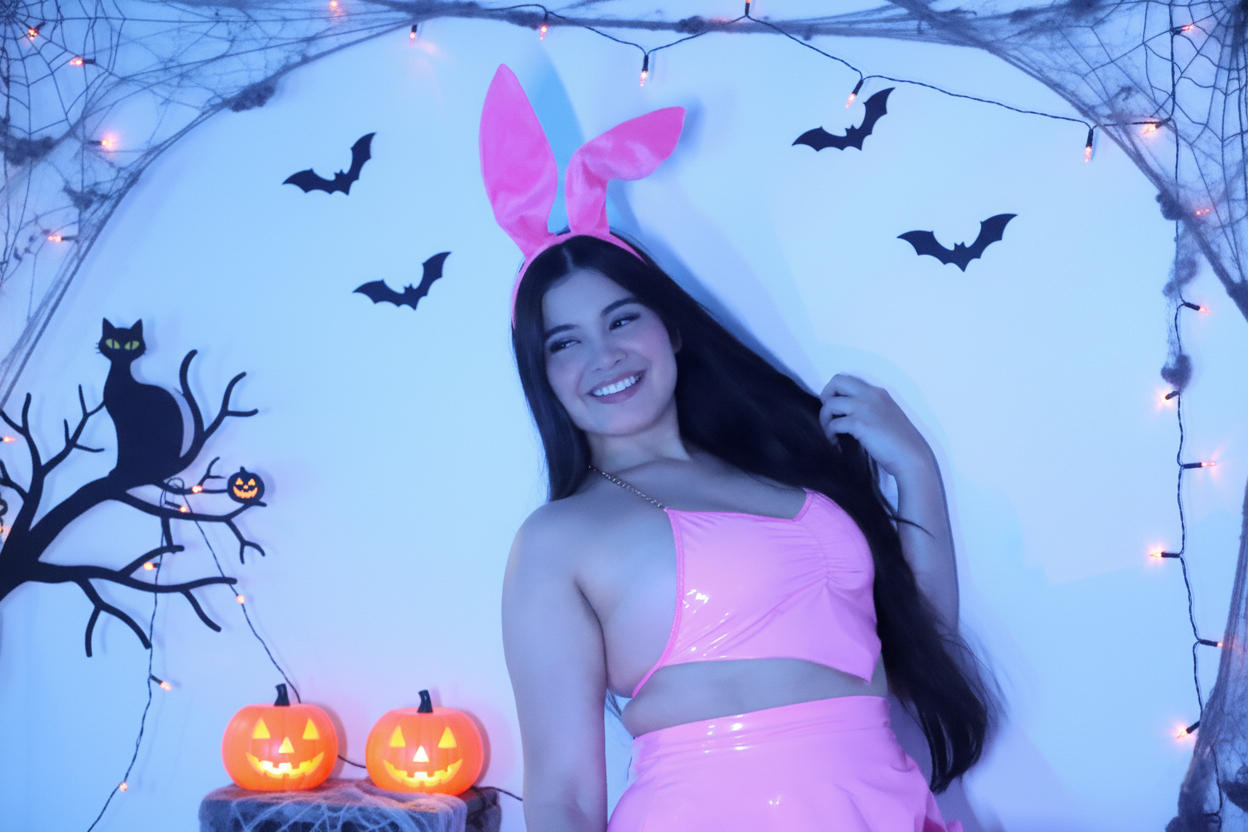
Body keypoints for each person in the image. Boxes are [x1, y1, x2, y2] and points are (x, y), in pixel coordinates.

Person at [482, 64, 997, 831]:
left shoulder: (790, 473)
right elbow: (565, 795)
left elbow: (921, 647)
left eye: (622, 320)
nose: (604, 355)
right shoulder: (558, 539)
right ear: (544, 375)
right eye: (566, 342)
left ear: (670, 327)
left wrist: (916, 467)